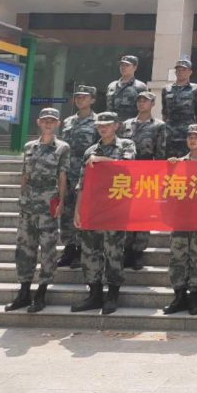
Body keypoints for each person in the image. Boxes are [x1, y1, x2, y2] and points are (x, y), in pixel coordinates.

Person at [5, 108, 70, 314]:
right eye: (45, 121)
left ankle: (41, 292)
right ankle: (24, 291)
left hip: (48, 203)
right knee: (24, 248)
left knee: (48, 249)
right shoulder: (29, 146)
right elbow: (24, 174)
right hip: (28, 204)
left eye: (52, 121)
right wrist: (21, 196)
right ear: (39, 122)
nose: (48, 124)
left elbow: (62, 177)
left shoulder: (62, 147)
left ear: (58, 124)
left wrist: (61, 202)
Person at [71, 111, 136, 315]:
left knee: (113, 252)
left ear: (116, 126)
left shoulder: (126, 145)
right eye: (100, 125)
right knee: (90, 252)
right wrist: (78, 210)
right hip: (94, 208)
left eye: (107, 124)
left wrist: (100, 159)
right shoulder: (90, 150)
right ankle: (94, 294)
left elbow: (126, 166)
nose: (103, 128)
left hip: (116, 207)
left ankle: (113, 295)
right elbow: (82, 184)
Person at [164, 124, 197, 316]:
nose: (192, 139)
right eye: (190, 136)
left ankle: (193, 298)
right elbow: (167, 188)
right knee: (177, 257)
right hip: (180, 218)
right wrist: (169, 169)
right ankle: (178, 297)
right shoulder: (177, 163)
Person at [121, 91, 166, 271]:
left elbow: (160, 153)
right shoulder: (126, 124)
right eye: (139, 101)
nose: (141, 103)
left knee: (143, 212)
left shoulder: (159, 126)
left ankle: (138, 252)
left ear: (152, 104)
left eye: (145, 101)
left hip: (147, 171)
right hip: (127, 172)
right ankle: (127, 249)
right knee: (127, 211)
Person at [57, 85, 99, 271]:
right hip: (67, 173)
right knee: (67, 212)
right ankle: (69, 249)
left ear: (93, 100)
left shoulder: (98, 122)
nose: (80, 99)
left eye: (84, 97)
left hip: (86, 173)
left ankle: (82, 251)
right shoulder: (68, 121)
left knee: (83, 211)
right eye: (77, 97)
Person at [161, 59, 197, 158]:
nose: (180, 72)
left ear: (190, 72)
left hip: (188, 133)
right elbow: (164, 112)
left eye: (184, 70)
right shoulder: (166, 89)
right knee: (169, 161)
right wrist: (163, 131)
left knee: (187, 161)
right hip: (169, 133)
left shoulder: (196, 89)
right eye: (178, 70)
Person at [105, 55, 147, 123]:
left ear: (135, 67)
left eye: (127, 65)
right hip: (111, 124)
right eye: (122, 65)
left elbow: (144, 109)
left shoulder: (140, 87)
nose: (123, 67)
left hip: (130, 125)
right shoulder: (112, 86)